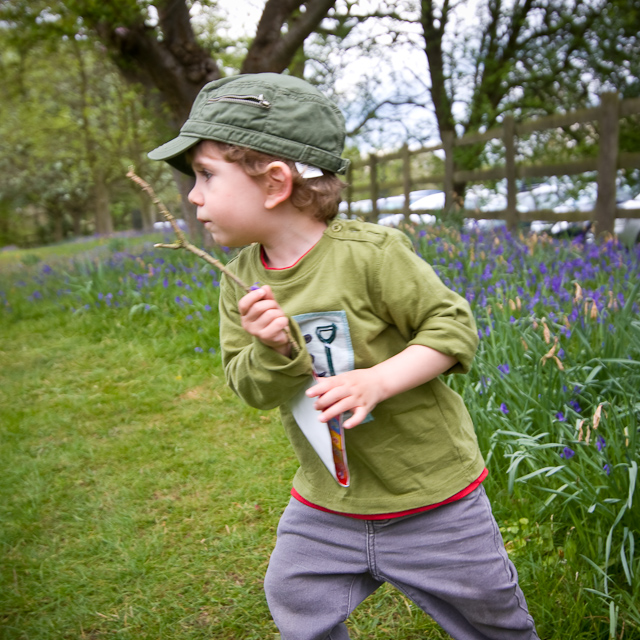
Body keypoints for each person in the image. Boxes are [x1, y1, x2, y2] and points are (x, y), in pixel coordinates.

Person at [149, 73, 539, 640]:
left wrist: (377, 380)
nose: (193, 195)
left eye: (207, 175)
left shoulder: (369, 255)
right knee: (294, 595)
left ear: (275, 182)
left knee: (489, 613)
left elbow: (452, 326)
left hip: (431, 496)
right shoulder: (240, 280)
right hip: (328, 500)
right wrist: (275, 350)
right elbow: (249, 387)